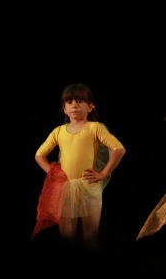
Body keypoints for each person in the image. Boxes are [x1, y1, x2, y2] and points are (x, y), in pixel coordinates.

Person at [34, 83, 126, 246]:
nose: (74, 105)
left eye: (80, 101)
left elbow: (119, 149)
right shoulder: (58, 131)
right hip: (65, 187)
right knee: (66, 235)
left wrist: (103, 173)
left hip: (88, 186)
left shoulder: (94, 128)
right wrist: (53, 172)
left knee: (90, 235)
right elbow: (39, 155)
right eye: (69, 102)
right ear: (64, 109)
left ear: (90, 106)